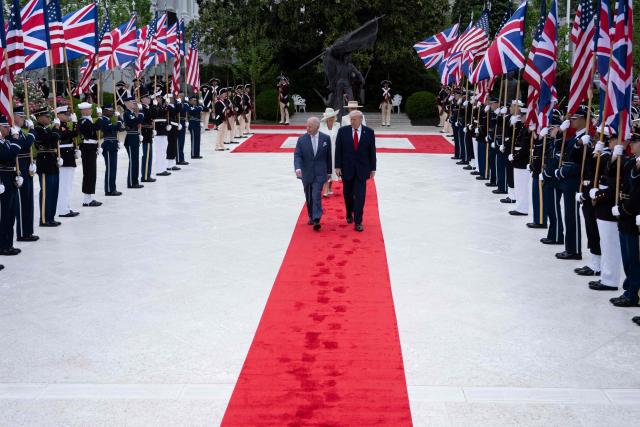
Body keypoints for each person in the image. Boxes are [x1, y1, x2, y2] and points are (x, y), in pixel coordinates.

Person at [610, 132, 640, 308]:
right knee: (627, 257)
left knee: (634, 258)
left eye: (635, 142)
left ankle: (634, 294)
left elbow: (637, 192)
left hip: (632, 215)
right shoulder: (630, 161)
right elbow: (612, 172)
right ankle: (629, 289)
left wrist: (623, 209)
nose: (631, 144)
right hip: (625, 216)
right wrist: (615, 156)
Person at [335, 110, 377, 232]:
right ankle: (349, 212)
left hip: (362, 170)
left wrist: (373, 168)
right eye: (350, 119)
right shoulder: (343, 131)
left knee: (360, 196)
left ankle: (358, 221)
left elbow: (372, 152)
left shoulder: (369, 132)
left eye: (354, 119)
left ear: (360, 119)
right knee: (347, 195)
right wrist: (337, 166)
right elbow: (338, 150)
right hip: (346, 169)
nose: (351, 121)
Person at [294, 117, 332, 231]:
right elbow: (297, 156)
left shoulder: (326, 138)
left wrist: (329, 171)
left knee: (316, 195)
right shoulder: (301, 140)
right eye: (307, 126)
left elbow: (328, 156)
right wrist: (297, 168)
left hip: (320, 173)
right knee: (309, 195)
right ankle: (311, 215)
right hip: (306, 173)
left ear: (317, 127)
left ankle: (316, 219)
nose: (307, 128)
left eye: (310, 126)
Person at [0, 115, 27, 256]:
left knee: (10, 214)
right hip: (2, 179)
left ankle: (8, 244)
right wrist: (15, 142)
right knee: (3, 215)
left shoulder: (6, 141)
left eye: (8, 126)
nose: (8, 128)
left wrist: (18, 173)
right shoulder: (6, 143)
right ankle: (2, 245)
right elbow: (6, 156)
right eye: (4, 126)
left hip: (10, 179)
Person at [33, 106, 62, 227]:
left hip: (52, 161)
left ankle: (51, 217)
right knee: (46, 191)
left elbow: (56, 139)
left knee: (54, 191)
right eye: (46, 116)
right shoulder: (37, 129)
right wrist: (55, 129)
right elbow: (49, 139)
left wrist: (55, 131)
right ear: (39, 117)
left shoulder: (46, 129)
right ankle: (44, 219)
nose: (49, 118)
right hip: (44, 163)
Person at [12, 107, 38, 241]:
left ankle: (28, 231)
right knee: (21, 202)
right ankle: (22, 233)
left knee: (28, 201)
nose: (23, 119)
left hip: (26, 166)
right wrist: (32, 129)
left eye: (23, 116)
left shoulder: (20, 131)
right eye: (20, 116)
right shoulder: (12, 132)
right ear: (14, 117)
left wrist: (32, 162)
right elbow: (26, 144)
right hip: (19, 168)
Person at [55, 105, 80, 218]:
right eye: (65, 114)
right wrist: (75, 123)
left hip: (68, 156)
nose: (67, 115)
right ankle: (63, 210)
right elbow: (73, 134)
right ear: (59, 115)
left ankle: (66, 207)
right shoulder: (58, 127)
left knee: (68, 185)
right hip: (64, 157)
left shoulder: (63, 125)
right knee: (64, 185)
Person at [77, 102, 102, 206]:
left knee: (91, 173)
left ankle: (88, 197)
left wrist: (97, 146)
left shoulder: (87, 120)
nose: (91, 110)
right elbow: (94, 128)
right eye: (89, 109)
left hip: (91, 148)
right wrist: (100, 117)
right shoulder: (84, 121)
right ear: (83, 111)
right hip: (87, 148)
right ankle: (87, 199)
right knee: (89, 173)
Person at [98, 104, 124, 196]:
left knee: (113, 168)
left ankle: (112, 188)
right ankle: (109, 189)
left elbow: (120, 128)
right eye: (110, 110)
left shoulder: (108, 120)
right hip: (108, 146)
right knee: (110, 169)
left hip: (113, 146)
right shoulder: (103, 120)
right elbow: (113, 128)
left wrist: (119, 118)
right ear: (104, 111)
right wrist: (118, 122)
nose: (112, 111)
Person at [123, 96, 145, 189]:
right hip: (131, 138)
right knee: (133, 161)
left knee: (135, 160)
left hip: (134, 137)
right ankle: (132, 182)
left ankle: (134, 181)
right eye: (133, 102)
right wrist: (140, 115)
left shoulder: (133, 113)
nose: (134, 104)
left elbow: (137, 122)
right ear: (127, 103)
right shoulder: (127, 113)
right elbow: (133, 122)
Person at [319, 108, 339, 197]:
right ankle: (325, 190)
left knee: (333, 170)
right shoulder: (321, 125)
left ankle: (330, 188)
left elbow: (339, 139)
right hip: (324, 150)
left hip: (335, 150)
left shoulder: (337, 125)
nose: (331, 118)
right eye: (329, 117)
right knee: (325, 169)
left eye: (332, 116)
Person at [139, 94, 157, 182]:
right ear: (142, 99)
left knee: (149, 155)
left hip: (148, 132)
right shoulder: (142, 108)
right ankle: (145, 176)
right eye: (147, 98)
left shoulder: (147, 107)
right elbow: (151, 115)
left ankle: (147, 174)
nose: (149, 99)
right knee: (146, 156)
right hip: (145, 133)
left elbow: (154, 115)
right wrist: (154, 106)